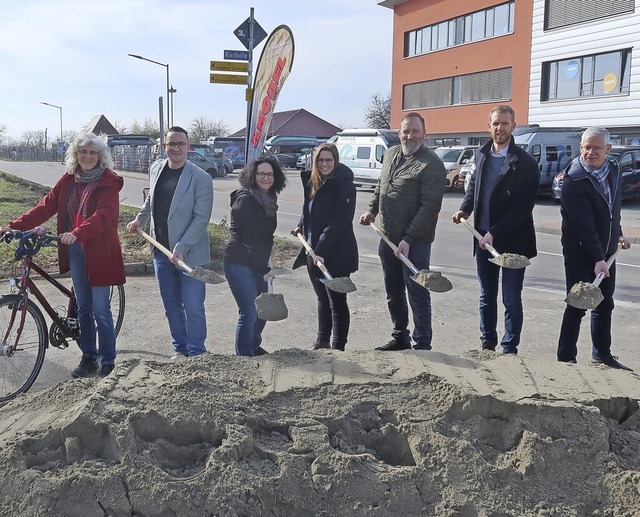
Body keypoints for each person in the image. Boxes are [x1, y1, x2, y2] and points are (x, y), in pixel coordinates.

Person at [2, 133, 125, 378]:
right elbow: (45, 206)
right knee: (83, 308)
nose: (87, 157)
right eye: (83, 152)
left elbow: (103, 216)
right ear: (75, 154)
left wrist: (78, 232)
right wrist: (14, 226)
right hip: (75, 249)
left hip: (100, 250)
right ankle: (89, 356)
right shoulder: (69, 179)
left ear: (100, 156)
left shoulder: (109, 181)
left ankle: (108, 360)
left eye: (93, 152)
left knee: (100, 308)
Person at [452, 105, 539, 355]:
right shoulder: (481, 154)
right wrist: (464, 209)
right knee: (486, 296)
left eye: (504, 123)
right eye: (495, 124)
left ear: (514, 126)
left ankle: (509, 347)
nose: (499, 128)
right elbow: (475, 188)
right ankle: (487, 342)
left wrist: (495, 232)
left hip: (514, 241)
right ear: (488, 126)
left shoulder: (525, 163)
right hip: (482, 239)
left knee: (511, 298)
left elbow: (523, 209)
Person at [359, 112, 446, 351]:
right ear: (399, 133)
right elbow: (382, 185)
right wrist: (372, 210)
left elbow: (430, 208)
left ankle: (422, 342)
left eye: (415, 131)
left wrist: (408, 239)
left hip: (415, 242)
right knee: (393, 291)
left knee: (417, 291)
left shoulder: (432, 164)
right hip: (388, 236)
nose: (410, 136)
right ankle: (400, 336)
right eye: (406, 131)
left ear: (424, 134)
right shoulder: (391, 154)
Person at [126, 126, 213, 359]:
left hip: (190, 255)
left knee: (193, 306)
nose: (175, 148)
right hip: (161, 252)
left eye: (180, 144)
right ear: (164, 147)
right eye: (171, 144)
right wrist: (140, 219)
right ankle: (180, 349)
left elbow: (201, 219)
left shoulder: (201, 178)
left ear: (188, 147)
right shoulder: (156, 169)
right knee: (171, 306)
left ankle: (196, 353)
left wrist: (182, 247)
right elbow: (150, 201)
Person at [557, 127, 632, 370]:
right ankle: (565, 358)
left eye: (596, 148)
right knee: (578, 304)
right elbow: (584, 226)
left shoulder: (614, 170)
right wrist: (599, 257)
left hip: (606, 253)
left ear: (607, 150)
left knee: (604, 303)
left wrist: (617, 234)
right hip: (580, 252)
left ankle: (602, 355)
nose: (590, 152)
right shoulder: (573, 181)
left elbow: (612, 208)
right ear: (580, 147)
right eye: (586, 147)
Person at [292, 143, 358, 351]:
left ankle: (338, 348)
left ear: (336, 160)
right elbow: (309, 211)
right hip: (313, 251)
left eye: (328, 160)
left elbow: (338, 222)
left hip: (337, 252)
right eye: (320, 160)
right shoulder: (314, 182)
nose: (324, 164)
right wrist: (301, 225)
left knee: (337, 301)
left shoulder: (345, 186)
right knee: (322, 298)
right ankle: (322, 341)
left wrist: (321, 251)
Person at [223, 156, 287, 357]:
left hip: (257, 261)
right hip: (238, 262)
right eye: (261, 174)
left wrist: (266, 263)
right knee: (249, 311)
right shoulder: (246, 199)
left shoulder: (268, 199)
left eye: (270, 174)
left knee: (262, 311)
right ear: (252, 175)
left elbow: (265, 238)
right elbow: (251, 240)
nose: (266, 178)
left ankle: (252, 345)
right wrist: (265, 270)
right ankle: (243, 357)